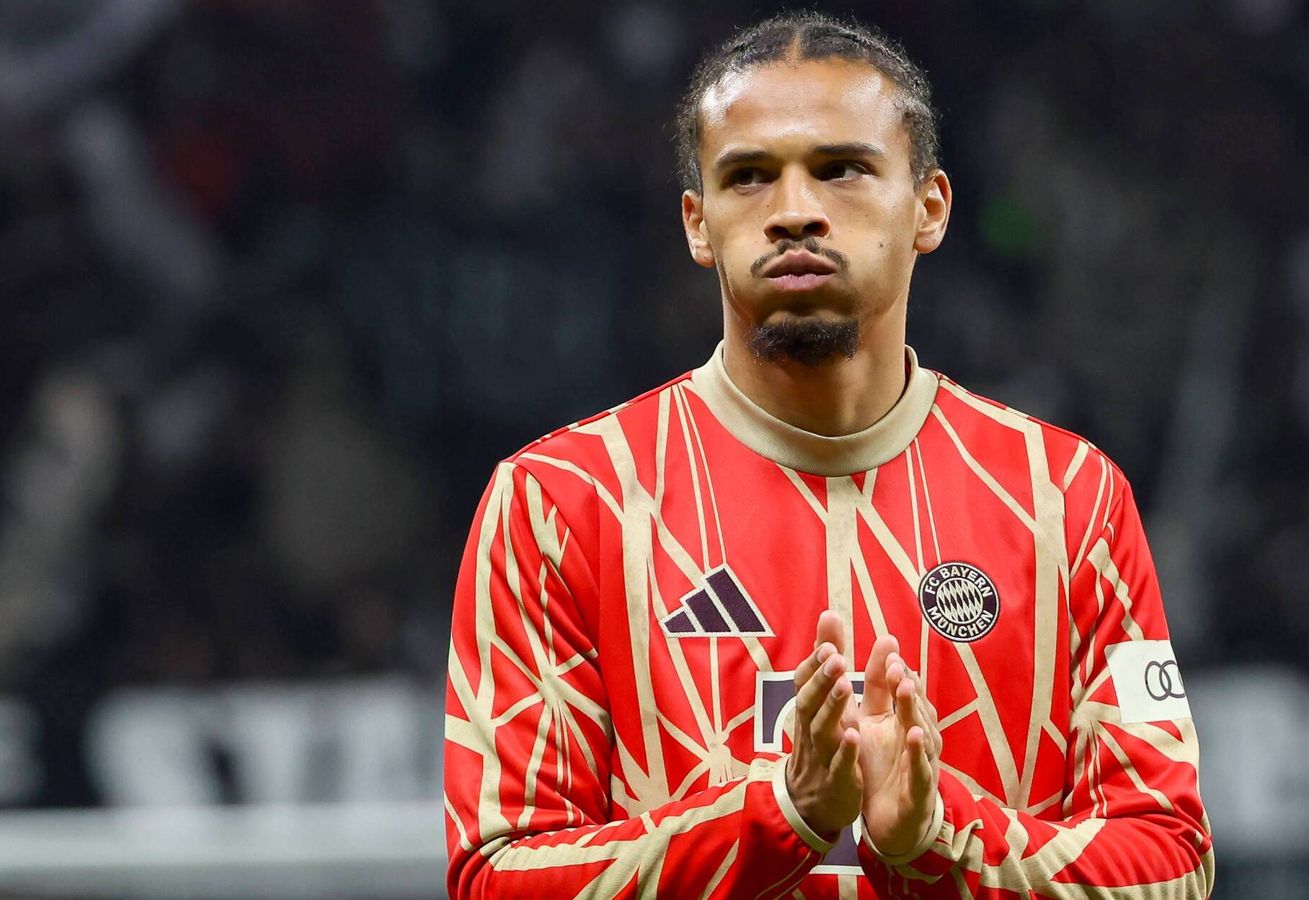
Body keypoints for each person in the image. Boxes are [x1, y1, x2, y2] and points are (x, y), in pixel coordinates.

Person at [443, 11, 1213, 898]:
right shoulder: (560, 504)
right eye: (748, 177)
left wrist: (939, 835)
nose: (793, 211)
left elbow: (1173, 861)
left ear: (929, 208)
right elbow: (497, 877)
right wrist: (783, 817)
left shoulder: (1068, 498)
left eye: (842, 168)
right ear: (698, 225)